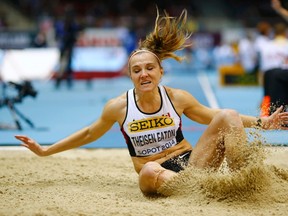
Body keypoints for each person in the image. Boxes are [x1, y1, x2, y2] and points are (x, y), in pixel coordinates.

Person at [15, 9, 288, 196]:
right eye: (137, 70)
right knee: (147, 171)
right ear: (131, 75)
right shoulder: (119, 107)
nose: (143, 73)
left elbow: (212, 115)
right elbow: (88, 133)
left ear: (160, 72)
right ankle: (204, 190)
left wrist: (263, 123)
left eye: (149, 68)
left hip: (194, 166)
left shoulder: (176, 97)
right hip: (156, 172)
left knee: (228, 114)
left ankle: (243, 184)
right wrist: (45, 151)